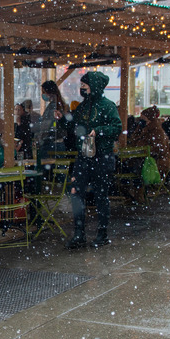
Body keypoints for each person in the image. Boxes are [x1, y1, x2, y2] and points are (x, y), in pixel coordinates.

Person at [62, 71, 122, 249]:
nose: (82, 89)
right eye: (81, 86)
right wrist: (64, 119)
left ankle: (102, 233)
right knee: (76, 192)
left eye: (85, 87)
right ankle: (79, 232)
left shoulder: (108, 106)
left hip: (102, 156)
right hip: (83, 156)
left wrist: (99, 130)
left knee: (100, 195)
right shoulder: (82, 107)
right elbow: (73, 126)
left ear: (94, 87)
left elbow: (116, 127)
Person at [128, 106, 170, 177]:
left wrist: (144, 151)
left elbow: (158, 148)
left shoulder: (157, 131)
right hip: (144, 158)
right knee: (126, 163)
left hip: (154, 161)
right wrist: (138, 130)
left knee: (132, 165)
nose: (141, 120)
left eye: (143, 118)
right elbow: (134, 140)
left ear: (149, 120)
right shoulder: (143, 129)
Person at [34, 80, 68, 158]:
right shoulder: (58, 105)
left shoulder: (53, 107)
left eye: (43, 92)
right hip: (56, 144)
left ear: (49, 93)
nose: (42, 94)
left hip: (51, 145)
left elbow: (48, 125)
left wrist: (38, 133)